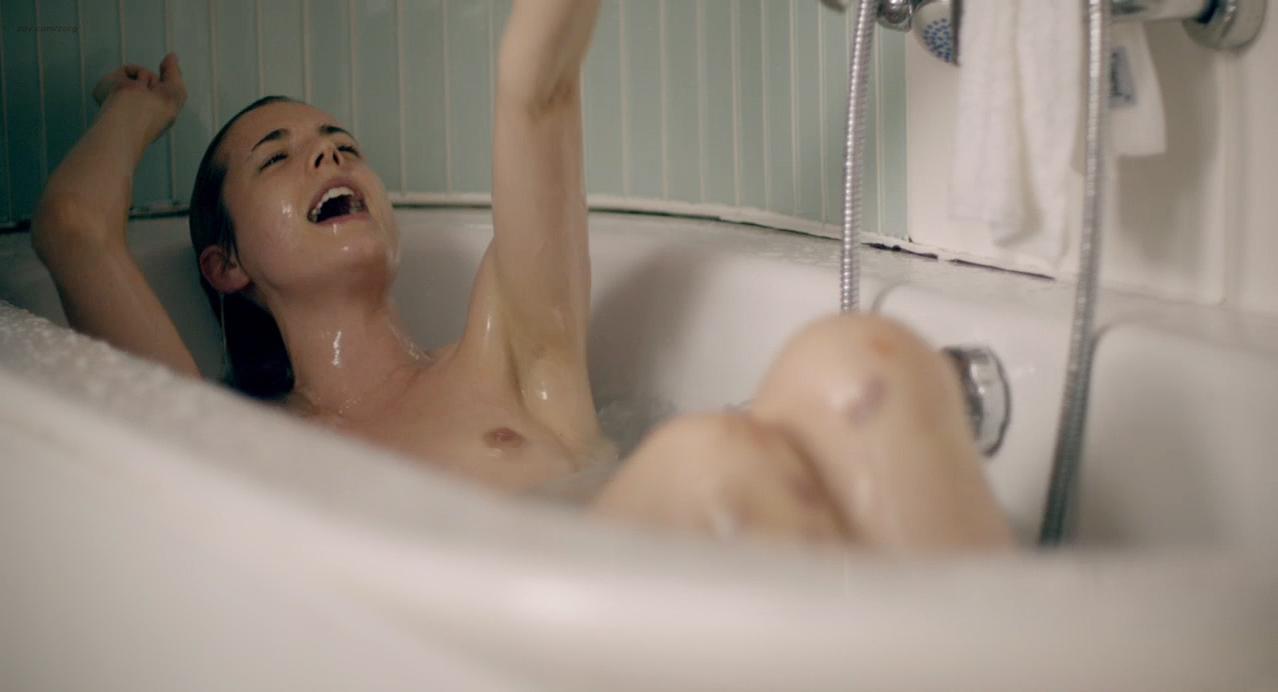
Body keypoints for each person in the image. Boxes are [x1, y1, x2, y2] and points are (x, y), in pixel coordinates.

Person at [31, 0, 1013, 551]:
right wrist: (140, 110)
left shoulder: (504, 352)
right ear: (225, 266)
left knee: (860, 365)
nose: (329, 154)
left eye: (342, 144)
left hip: (652, 621)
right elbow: (73, 230)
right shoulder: (225, 436)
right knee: (708, 461)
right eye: (279, 157)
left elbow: (537, 87)